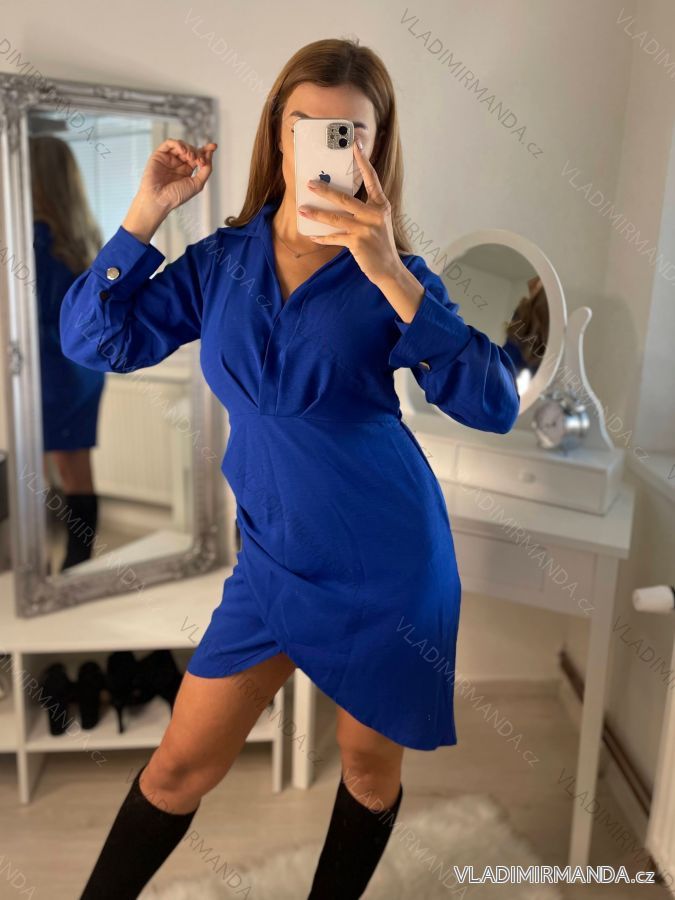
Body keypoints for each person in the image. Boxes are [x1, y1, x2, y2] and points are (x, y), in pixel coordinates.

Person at [59, 37, 520, 900]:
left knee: (367, 773)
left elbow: (494, 403)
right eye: (306, 124)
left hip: (388, 564)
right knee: (176, 769)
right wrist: (144, 214)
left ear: (375, 147)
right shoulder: (220, 262)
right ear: (278, 134)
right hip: (272, 561)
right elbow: (93, 340)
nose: (327, 145)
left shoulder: (397, 276)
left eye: (350, 131)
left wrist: (388, 273)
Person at [30, 135, 106, 571]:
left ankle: (36, 571)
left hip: (45, 367)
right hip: (83, 369)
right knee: (76, 464)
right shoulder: (84, 238)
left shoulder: (34, 240)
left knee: (32, 469)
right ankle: (77, 566)